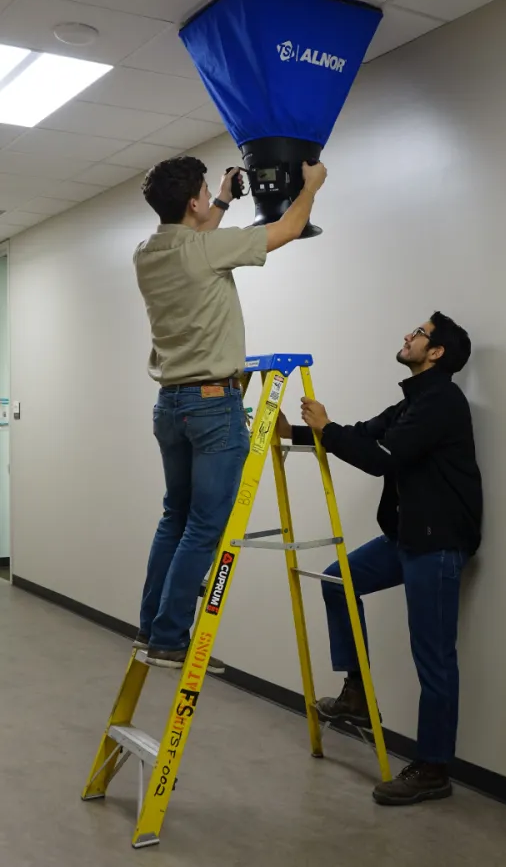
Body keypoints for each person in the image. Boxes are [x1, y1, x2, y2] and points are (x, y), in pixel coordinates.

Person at [277, 313, 482, 806]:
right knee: (337, 580)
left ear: (436, 353)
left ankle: (434, 769)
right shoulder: (414, 401)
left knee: (433, 661)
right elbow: (364, 434)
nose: (409, 335)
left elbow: (381, 457)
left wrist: (327, 429)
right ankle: (356, 695)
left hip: (437, 547)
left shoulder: (443, 403)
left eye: (420, 333)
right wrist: (300, 433)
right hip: (408, 537)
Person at [135, 156, 326, 670]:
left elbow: (198, 237)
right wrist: (313, 185)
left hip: (170, 404)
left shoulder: (147, 252)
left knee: (175, 517)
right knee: (203, 526)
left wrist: (219, 196)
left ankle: (152, 627)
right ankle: (172, 640)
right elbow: (286, 229)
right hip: (212, 406)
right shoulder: (205, 248)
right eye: (203, 193)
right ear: (192, 202)